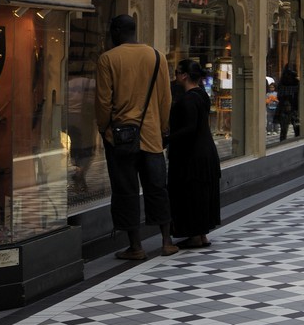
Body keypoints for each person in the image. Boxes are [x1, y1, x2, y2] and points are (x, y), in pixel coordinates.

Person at [94, 14, 174, 261]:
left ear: (116, 31)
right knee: (157, 188)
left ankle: (136, 246)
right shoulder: (156, 56)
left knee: (125, 191)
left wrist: (104, 129)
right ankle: (166, 241)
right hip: (151, 135)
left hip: (121, 138)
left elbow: (103, 102)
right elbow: (165, 98)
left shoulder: (108, 59)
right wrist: (162, 129)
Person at [166, 58, 221, 249]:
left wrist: (166, 139)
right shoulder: (202, 95)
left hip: (193, 156)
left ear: (184, 75)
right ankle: (202, 234)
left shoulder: (189, 99)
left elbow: (189, 128)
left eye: (176, 73)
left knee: (192, 194)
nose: (175, 77)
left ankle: (196, 235)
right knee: (201, 194)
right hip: (205, 152)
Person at [276, 64, 301, 141]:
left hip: (290, 108)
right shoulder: (296, 83)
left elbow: (279, 96)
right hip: (290, 108)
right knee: (294, 129)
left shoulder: (283, 84)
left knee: (287, 130)